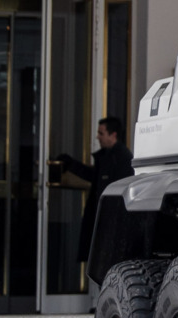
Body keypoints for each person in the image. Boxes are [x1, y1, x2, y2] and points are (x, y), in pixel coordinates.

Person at [52, 117, 133, 284]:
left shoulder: (121, 159)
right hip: (104, 221)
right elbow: (94, 178)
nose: (98, 137)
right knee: (100, 261)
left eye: (101, 133)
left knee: (107, 262)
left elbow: (115, 192)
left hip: (111, 223)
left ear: (113, 135)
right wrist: (71, 165)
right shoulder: (108, 157)